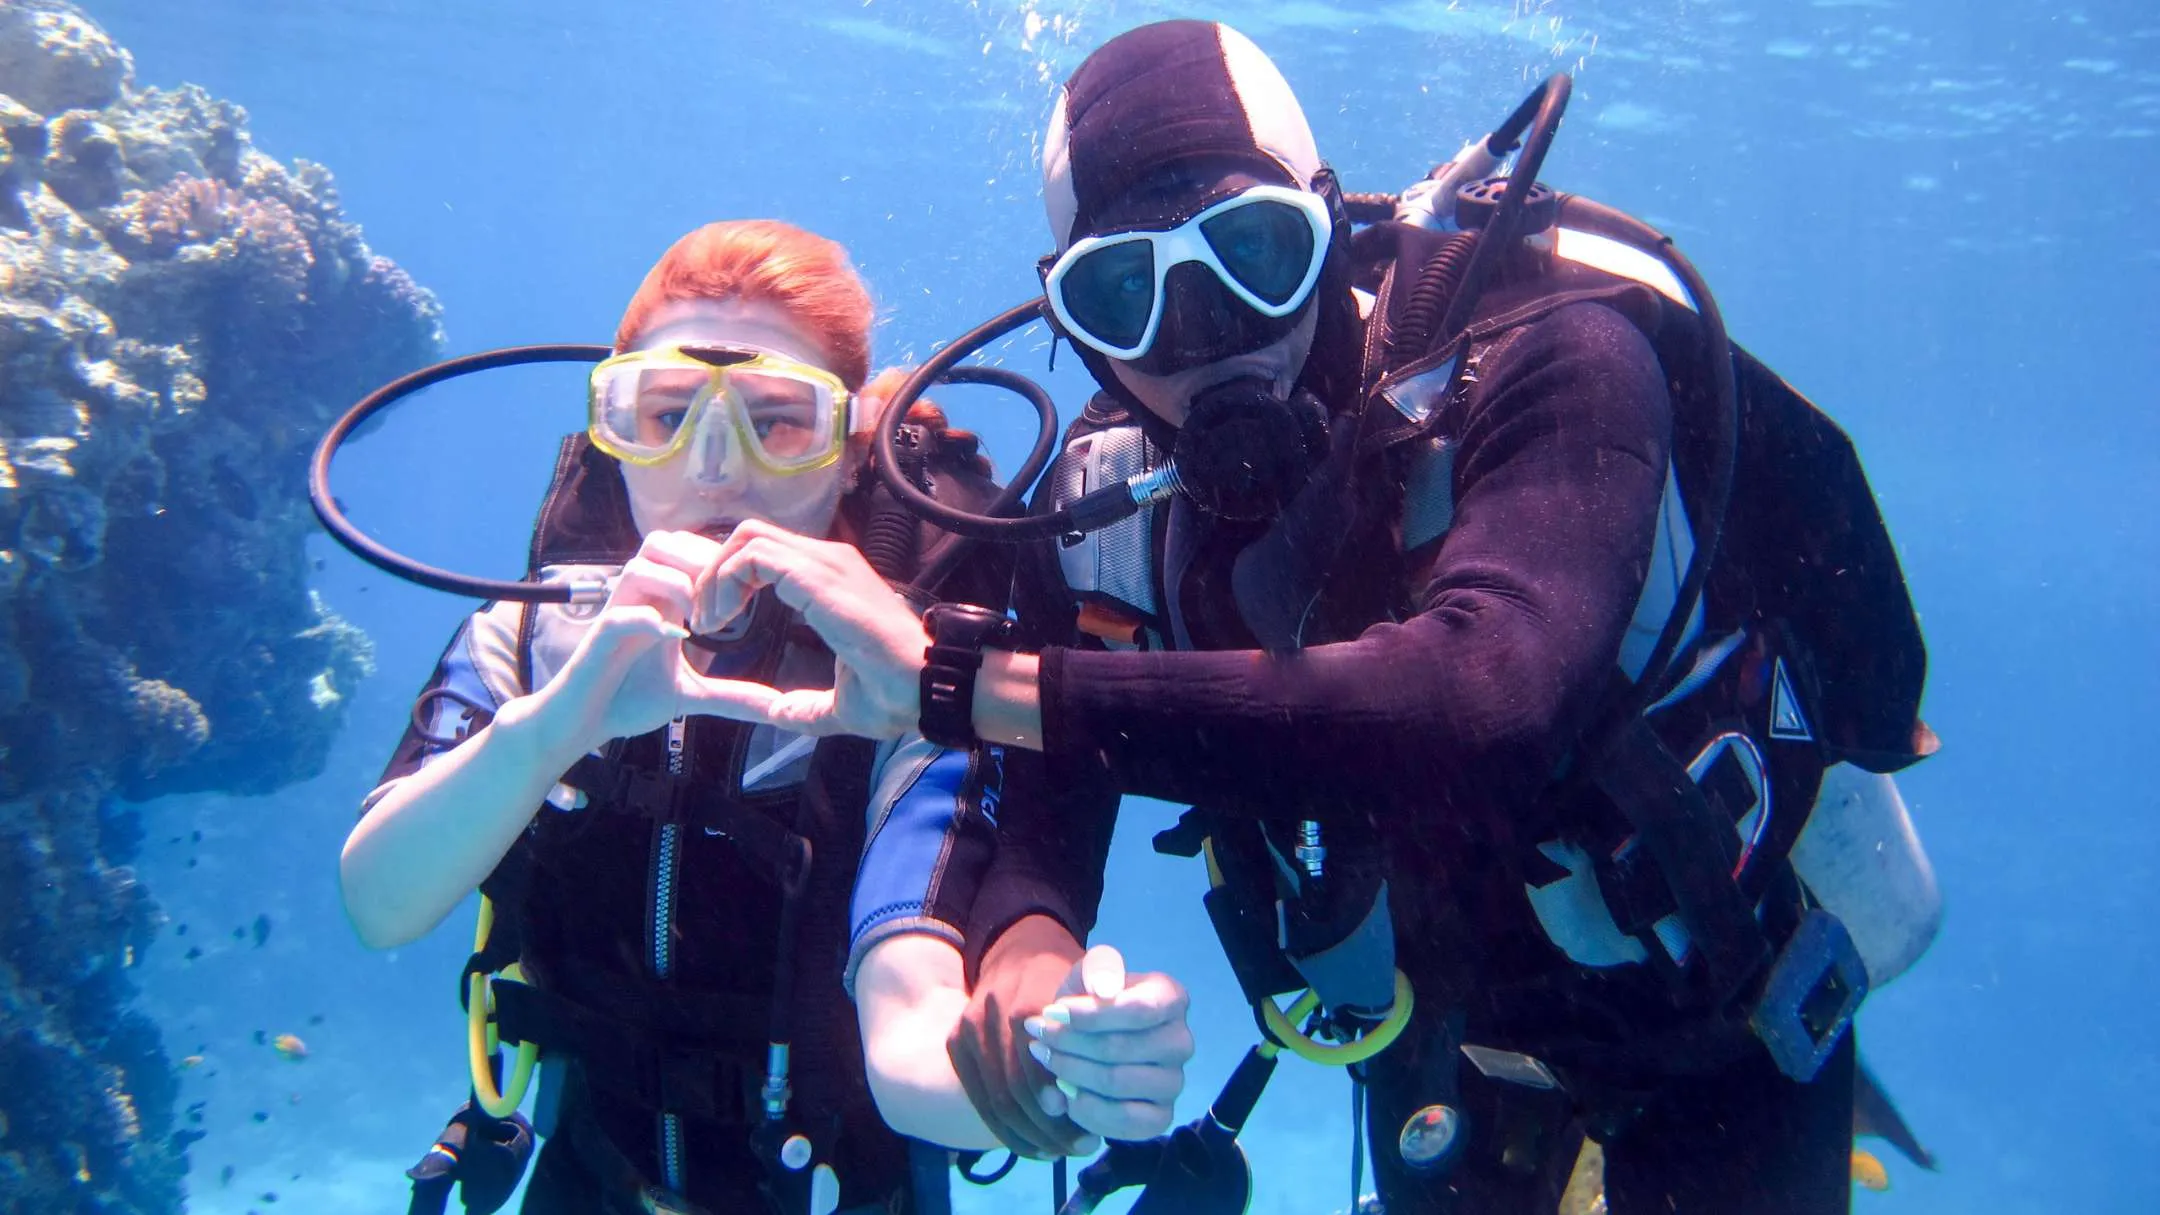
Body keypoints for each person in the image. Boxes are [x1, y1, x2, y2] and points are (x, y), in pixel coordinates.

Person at [676, 21, 1938, 1215]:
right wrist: (1026, 962)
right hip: (1437, 1049)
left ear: (1329, 229)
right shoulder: (1111, 515)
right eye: (1130, 294)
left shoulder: (1551, 355)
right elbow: (1047, 818)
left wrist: (961, 680)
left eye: (1255, 254)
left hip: (1717, 1027)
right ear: (1073, 320)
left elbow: (1486, 697)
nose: (1206, 338)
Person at [337, 219, 1194, 1215]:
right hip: (587, 1181)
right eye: (662, 415)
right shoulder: (528, 645)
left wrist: (1061, 1075)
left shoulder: (901, 684)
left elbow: (912, 1037)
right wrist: (554, 726)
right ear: (610, 435)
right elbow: (379, 904)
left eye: (776, 421)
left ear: (848, 453)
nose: (713, 469)